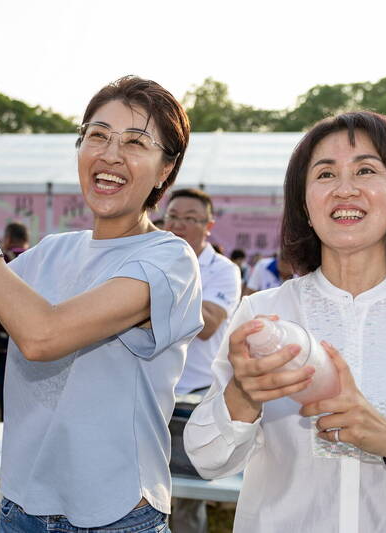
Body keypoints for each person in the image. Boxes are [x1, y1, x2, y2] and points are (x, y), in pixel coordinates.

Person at [183, 111, 386, 532]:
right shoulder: (262, 315)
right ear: (305, 206)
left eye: (366, 170)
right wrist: (243, 397)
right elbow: (208, 459)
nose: (345, 189)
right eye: (325, 174)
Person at [0, 75, 202, 533]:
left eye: (135, 142)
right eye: (97, 135)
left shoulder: (169, 260)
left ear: (165, 169)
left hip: (115, 515)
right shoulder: (52, 251)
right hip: (22, 506)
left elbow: (44, 336)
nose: (111, 154)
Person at [163, 188, 241, 533]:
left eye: (190, 219)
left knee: (188, 492)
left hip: (194, 397)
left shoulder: (223, 270)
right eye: (172, 217)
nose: (178, 225)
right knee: (139, 484)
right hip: (149, 389)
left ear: (208, 226)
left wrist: (168, 280)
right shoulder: (150, 257)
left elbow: (207, 325)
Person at [0, 222, 30, 419]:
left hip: (5, 335)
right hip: (31, 333)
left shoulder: (1, 260)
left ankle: (4, 422)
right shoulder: (36, 258)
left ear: (7, 238)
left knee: (4, 382)